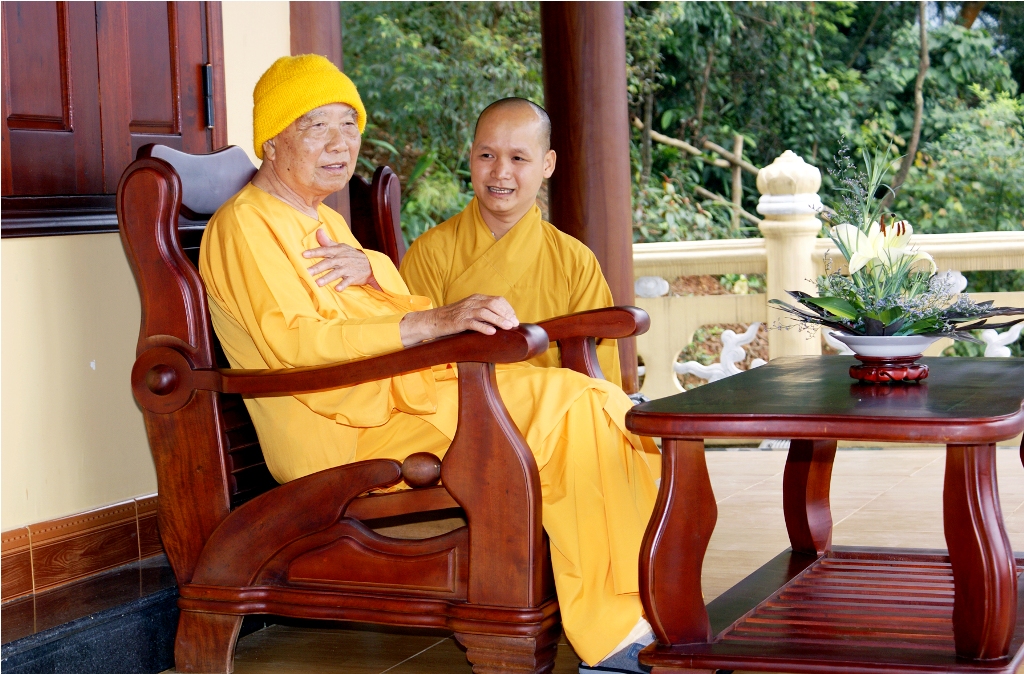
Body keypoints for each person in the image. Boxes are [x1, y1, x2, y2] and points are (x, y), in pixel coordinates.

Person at [198, 54, 658, 674]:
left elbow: (381, 314)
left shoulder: (324, 220)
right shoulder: (244, 226)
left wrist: (377, 273)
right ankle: (616, 632)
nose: (339, 144)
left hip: (395, 400)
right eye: (316, 126)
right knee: (573, 406)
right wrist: (437, 321)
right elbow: (298, 346)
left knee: (604, 405)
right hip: (341, 428)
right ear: (272, 140)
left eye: (349, 125)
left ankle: (638, 604)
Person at [396, 98, 623, 386]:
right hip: (460, 408)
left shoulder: (575, 261)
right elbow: (415, 373)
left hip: (553, 409)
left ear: (547, 164)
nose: (500, 172)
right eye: (487, 155)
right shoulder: (430, 253)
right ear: (471, 156)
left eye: (518, 158)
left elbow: (600, 378)